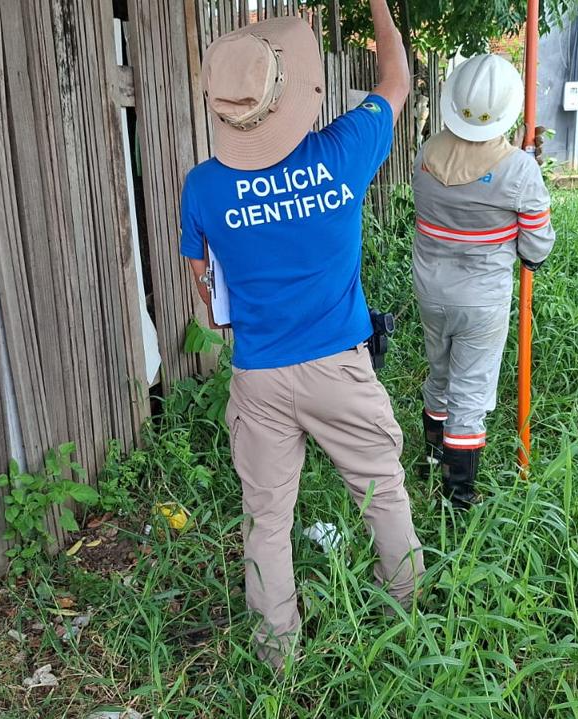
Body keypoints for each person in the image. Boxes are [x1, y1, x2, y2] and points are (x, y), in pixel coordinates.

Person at [178, 2, 422, 670]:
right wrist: (377, 8)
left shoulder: (202, 187)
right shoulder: (343, 151)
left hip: (258, 373)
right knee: (382, 494)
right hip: (340, 366)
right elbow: (397, 77)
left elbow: (205, 289)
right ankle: (404, 616)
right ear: (296, 92)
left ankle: (276, 655)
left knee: (267, 520)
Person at [411, 54, 557, 508]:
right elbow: (537, 245)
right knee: (469, 390)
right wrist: (523, 167)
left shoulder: (425, 154)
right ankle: (457, 499)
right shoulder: (519, 170)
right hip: (481, 300)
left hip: (430, 290)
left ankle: (432, 457)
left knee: (440, 374)